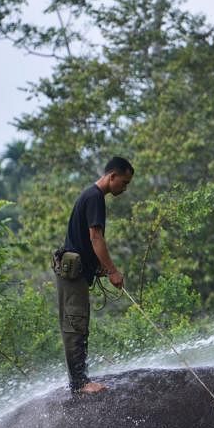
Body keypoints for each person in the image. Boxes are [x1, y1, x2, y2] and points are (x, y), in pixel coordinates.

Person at [53, 156, 134, 394]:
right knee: (75, 323)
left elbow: (83, 241)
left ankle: (80, 379)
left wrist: (96, 266)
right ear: (112, 176)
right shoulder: (95, 197)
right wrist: (112, 271)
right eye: (124, 182)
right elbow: (95, 238)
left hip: (78, 270)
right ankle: (79, 383)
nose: (125, 187)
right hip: (73, 275)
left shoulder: (91, 196)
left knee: (78, 322)